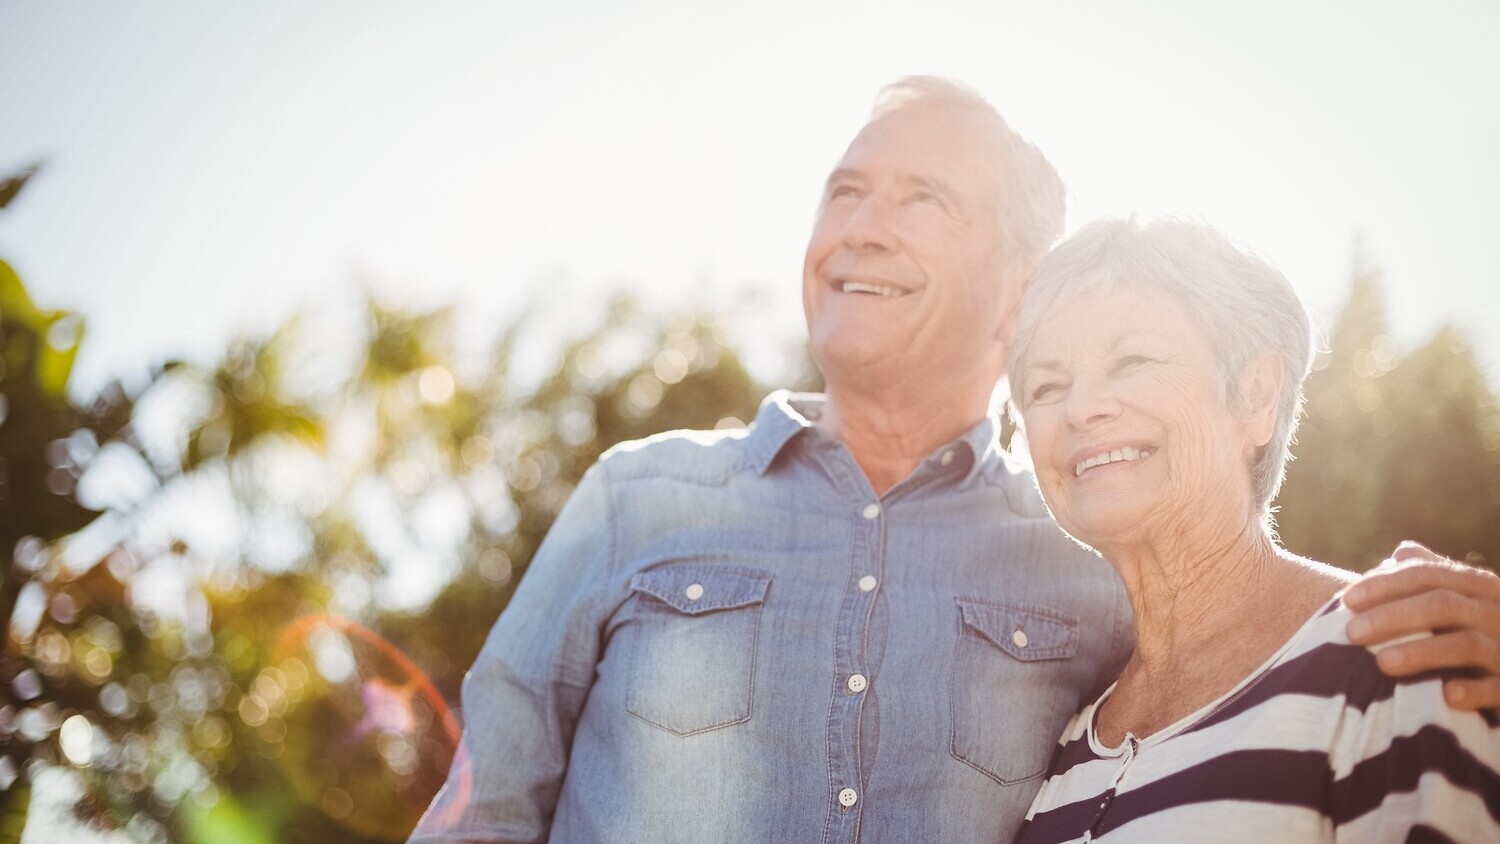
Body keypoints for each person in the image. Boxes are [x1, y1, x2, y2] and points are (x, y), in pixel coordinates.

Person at [410, 78, 1500, 844]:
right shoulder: (634, 500)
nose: (860, 229)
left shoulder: (1092, 557)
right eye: (845, 191)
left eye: (921, 200)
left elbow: (1246, 644)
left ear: (1023, 283)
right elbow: (481, 814)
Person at [1009, 217, 1500, 842]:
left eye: (1130, 359)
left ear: (1256, 396)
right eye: (1047, 385)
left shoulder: (1400, 656)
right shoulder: (1064, 742)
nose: (1080, 408)